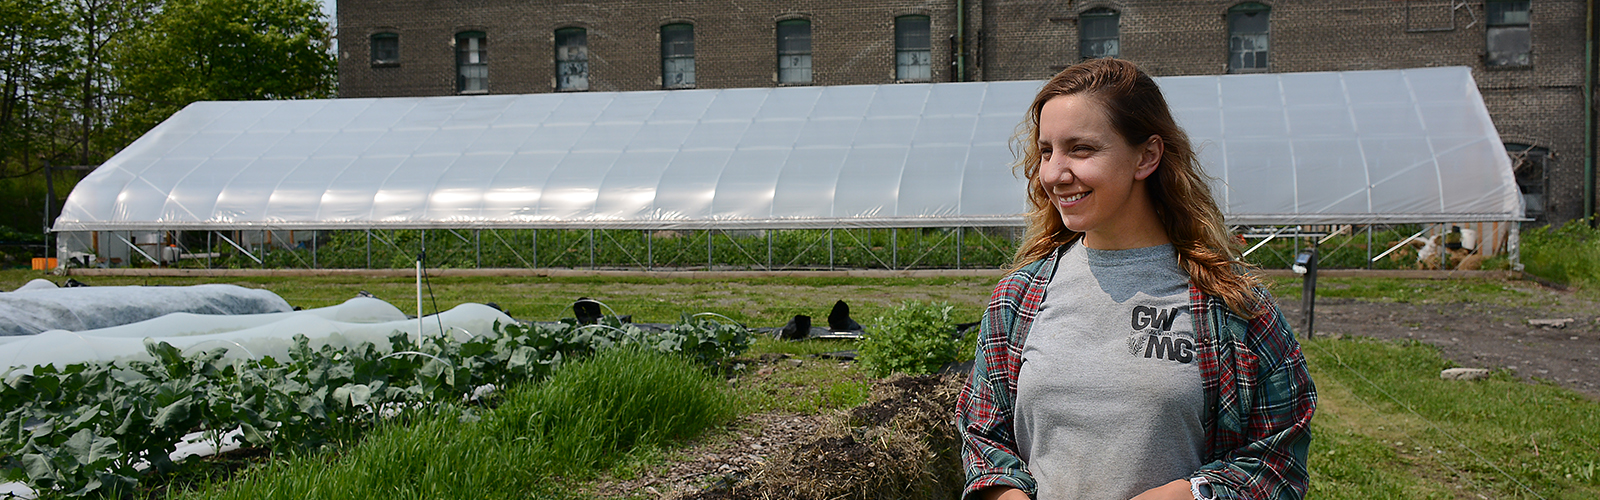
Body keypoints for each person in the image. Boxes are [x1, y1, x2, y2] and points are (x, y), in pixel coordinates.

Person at [956, 58, 1316, 500]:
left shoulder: (1233, 308)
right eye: (1047, 150)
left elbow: (1278, 461)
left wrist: (1191, 494)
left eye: (1081, 149)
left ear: (1146, 156)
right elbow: (984, 438)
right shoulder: (1017, 299)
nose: (1052, 173)